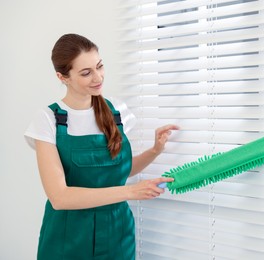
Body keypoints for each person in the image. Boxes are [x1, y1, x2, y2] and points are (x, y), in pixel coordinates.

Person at [24, 33, 178, 260]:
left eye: (99, 66)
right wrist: (131, 191)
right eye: (86, 73)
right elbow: (59, 197)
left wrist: (154, 150)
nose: (98, 77)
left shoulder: (117, 111)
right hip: (68, 234)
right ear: (63, 77)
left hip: (118, 230)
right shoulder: (48, 119)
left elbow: (120, 168)